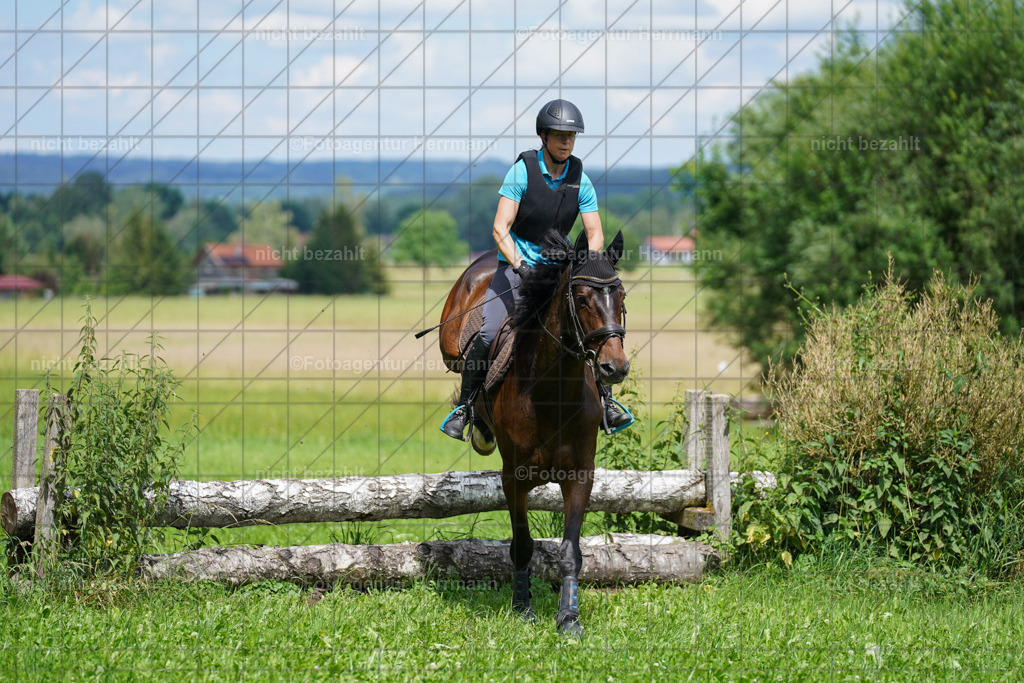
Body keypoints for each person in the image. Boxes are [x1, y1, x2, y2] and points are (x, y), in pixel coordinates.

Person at [440, 98, 633, 441]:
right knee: (488, 333)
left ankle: (607, 401)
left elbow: (595, 232)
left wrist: (591, 262)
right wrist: (521, 267)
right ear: (544, 136)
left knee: (591, 325)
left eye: (571, 136)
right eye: (559, 135)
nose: (566, 142)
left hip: (561, 269)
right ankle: (466, 407)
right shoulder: (522, 171)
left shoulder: (580, 179)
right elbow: (500, 228)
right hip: (517, 266)